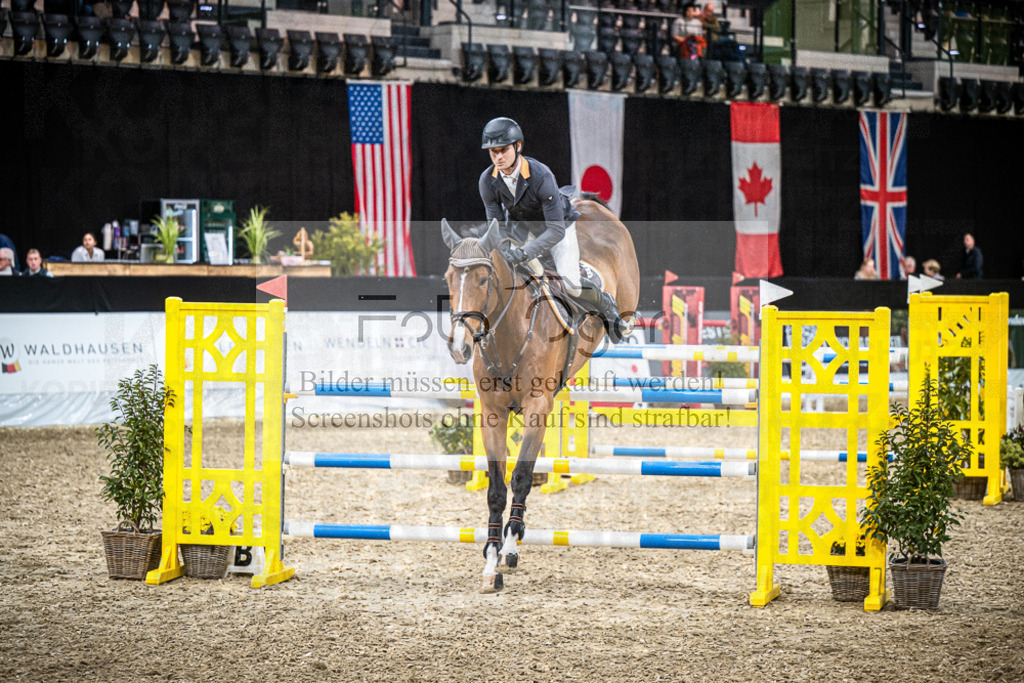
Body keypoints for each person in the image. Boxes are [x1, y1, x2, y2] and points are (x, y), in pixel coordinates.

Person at [477, 116, 628, 342]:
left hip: (557, 228)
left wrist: (525, 253)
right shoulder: (487, 181)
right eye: (493, 152)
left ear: (518, 146)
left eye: (503, 150)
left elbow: (555, 230)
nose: (498, 157)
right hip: (523, 229)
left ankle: (605, 303)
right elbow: (496, 227)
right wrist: (505, 249)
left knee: (570, 283)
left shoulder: (541, 175)